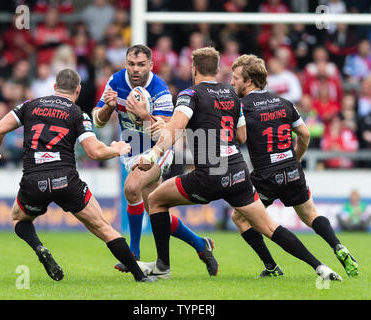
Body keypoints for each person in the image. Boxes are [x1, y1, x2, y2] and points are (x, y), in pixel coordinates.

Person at [136, 47, 342, 282]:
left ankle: (163, 266)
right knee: (270, 227)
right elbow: (242, 136)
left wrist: (153, 154)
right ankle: (320, 267)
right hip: (238, 171)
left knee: (155, 200)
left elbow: (176, 128)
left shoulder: (190, 94)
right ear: (217, 70)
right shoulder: (232, 96)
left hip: (211, 173)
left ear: (194, 69)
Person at [0, 68, 157, 283]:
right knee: (103, 227)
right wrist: (118, 149)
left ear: (55, 87)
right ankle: (140, 277)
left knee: (19, 218)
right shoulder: (77, 113)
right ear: (78, 90)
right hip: (66, 180)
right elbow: (94, 152)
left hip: (34, 180)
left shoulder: (29, 105)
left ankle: (39, 248)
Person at [91, 44, 217, 275]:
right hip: (131, 150)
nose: (135, 69)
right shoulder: (116, 81)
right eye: (131, 64)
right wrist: (108, 109)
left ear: (150, 65)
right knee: (155, 212)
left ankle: (133, 253)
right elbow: (97, 121)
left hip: (157, 152)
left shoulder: (160, 89)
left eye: (141, 64)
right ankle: (202, 244)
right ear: (126, 63)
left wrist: (144, 115)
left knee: (131, 188)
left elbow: (165, 134)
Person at [229, 54, 359, 278]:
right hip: (292, 170)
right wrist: (295, 158)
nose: (232, 83)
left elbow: (238, 138)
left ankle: (271, 267)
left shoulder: (242, 107)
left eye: (236, 78)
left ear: (249, 81)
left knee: (239, 218)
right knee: (310, 215)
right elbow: (305, 134)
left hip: (266, 176)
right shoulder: (284, 103)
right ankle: (338, 246)